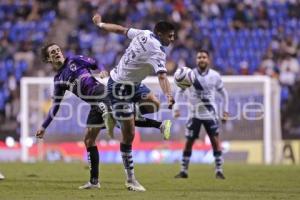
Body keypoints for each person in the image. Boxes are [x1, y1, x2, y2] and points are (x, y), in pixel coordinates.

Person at [92, 14, 175, 191]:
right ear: (160, 34)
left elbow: (120, 30)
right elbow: (162, 76)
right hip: (119, 87)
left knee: (153, 104)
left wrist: (100, 24)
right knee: (129, 135)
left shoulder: (143, 33)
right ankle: (130, 179)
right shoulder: (157, 51)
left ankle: (118, 115)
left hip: (134, 84)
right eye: (170, 36)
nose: (172, 39)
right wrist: (169, 95)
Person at [35, 43, 115, 189]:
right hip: (94, 104)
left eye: (58, 50)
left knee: (123, 119)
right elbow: (56, 106)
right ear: (48, 59)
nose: (57, 52)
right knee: (88, 140)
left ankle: (110, 114)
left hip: (100, 93)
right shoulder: (59, 80)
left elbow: (96, 62)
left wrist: (103, 70)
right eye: (53, 52)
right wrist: (43, 126)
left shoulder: (74, 60)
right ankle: (94, 182)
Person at [174, 50, 229, 179]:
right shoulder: (189, 75)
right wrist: (176, 107)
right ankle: (184, 171)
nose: (202, 59)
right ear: (196, 60)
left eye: (204, 57)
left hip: (210, 114)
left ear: (208, 60)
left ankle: (219, 170)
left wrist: (225, 111)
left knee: (215, 141)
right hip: (194, 114)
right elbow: (179, 91)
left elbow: (224, 94)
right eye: (199, 57)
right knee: (189, 142)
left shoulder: (215, 75)